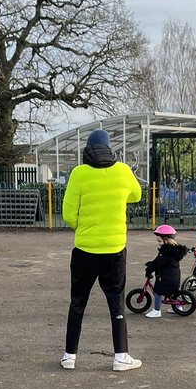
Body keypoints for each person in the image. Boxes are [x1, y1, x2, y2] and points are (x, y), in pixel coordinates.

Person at [60, 129, 143, 371]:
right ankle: (121, 356)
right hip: (114, 249)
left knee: (77, 303)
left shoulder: (78, 173)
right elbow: (137, 195)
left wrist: (83, 228)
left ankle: (69, 356)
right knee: (116, 303)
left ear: (87, 150)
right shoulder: (123, 171)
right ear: (110, 149)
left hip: (85, 249)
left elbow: (68, 215)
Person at [143, 224, 189, 318]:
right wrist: (152, 263)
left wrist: (149, 269)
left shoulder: (166, 253)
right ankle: (178, 307)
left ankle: (156, 310)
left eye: (160, 241)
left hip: (165, 278)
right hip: (174, 277)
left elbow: (158, 263)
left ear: (166, 240)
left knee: (157, 292)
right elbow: (160, 262)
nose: (159, 243)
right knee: (172, 292)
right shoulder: (173, 251)